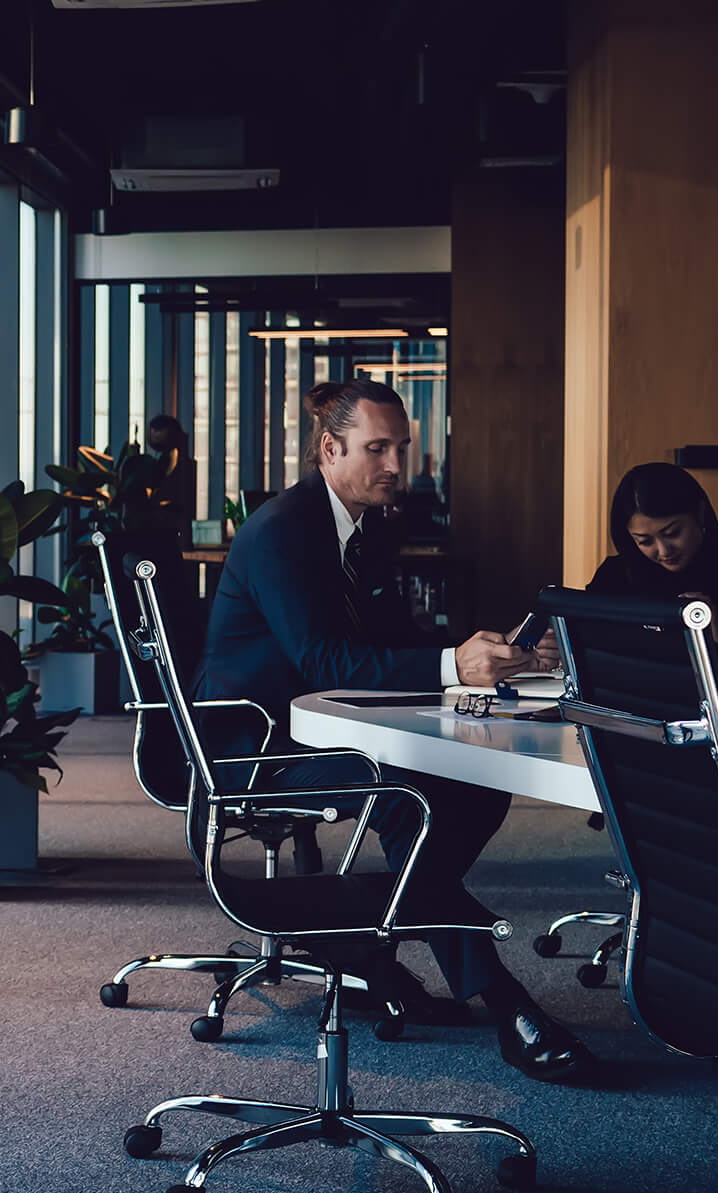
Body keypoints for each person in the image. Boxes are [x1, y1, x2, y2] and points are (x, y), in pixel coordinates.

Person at [194, 378, 594, 1084]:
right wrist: (449, 664)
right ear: (329, 448)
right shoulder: (284, 530)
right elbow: (324, 659)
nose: (393, 465)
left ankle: (364, 944)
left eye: (400, 448)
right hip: (253, 751)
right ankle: (506, 1002)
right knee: (415, 791)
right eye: (376, 448)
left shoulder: (367, 530)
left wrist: (498, 657)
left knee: (474, 787)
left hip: (326, 732)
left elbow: (392, 641)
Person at [587, 462, 718, 654]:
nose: (663, 551)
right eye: (645, 541)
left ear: (699, 514)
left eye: (673, 533)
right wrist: (555, 647)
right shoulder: (614, 576)